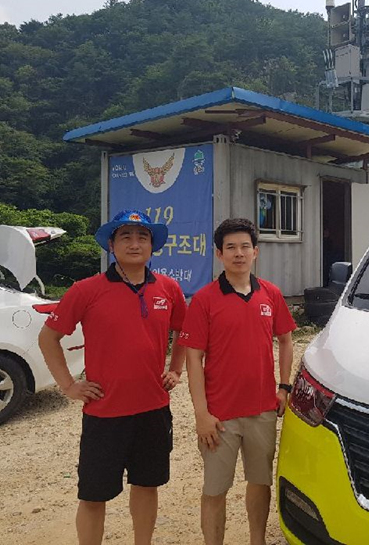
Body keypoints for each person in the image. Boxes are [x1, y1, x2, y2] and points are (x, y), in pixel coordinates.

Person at [38, 209, 187, 545]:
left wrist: (175, 369)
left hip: (153, 409)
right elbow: (48, 337)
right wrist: (68, 385)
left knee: (147, 485)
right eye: (126, 237)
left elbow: (183, 331)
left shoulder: (169, 288)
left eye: (142, 237)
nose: (135, 244)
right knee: (94, 495)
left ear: (152, 245)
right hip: (104, 413)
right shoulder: (86, 289)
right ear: (111, 244)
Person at [179, 218, 296, 545]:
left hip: (262, 410)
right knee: (215, 489)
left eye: (245, 246)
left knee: (260, 483)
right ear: (219, 254)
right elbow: (193, 358)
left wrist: (284, 386)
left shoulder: (270, 294)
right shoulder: (204, 299)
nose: (239, 253)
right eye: (230, 247)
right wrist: (201, 414)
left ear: (256, 252)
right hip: (220, 416)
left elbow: (286, 340)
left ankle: (257, 540)